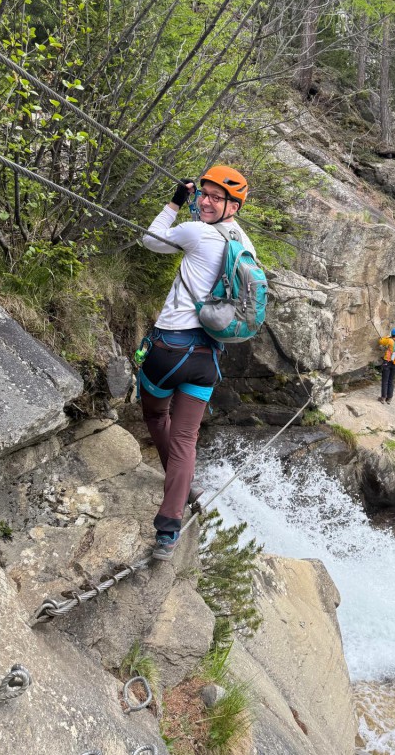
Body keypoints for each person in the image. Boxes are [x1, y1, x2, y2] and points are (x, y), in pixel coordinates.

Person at [139, 165, 255, 560]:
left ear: (232, 205)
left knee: (157, 417)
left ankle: (182, 490)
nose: (205, 201)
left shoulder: (195, 232)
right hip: (208, 357)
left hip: (169, 349)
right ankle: (169, 530)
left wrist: (176, 202)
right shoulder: (245, 243)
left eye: (214, 197)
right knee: (186, 439)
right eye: (202, 194)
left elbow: (149, 240)